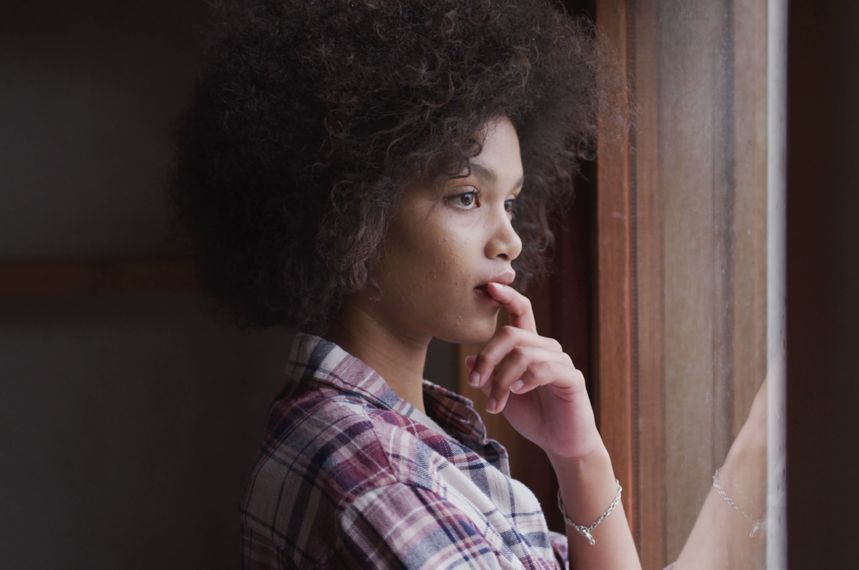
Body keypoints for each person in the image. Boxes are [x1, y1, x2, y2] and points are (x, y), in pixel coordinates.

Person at [168, 0, 768, 567]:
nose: (510, 239)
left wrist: (578, 455)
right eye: (466, 196)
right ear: (351, 216)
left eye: (511, 202)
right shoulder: (380, 478)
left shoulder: (389, 435)